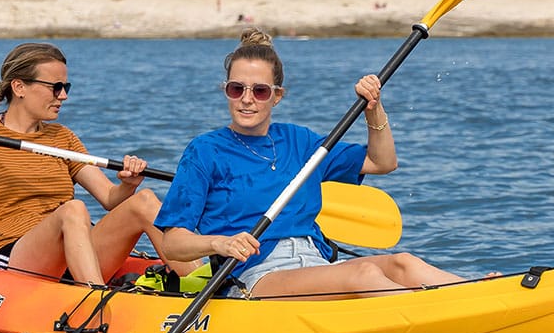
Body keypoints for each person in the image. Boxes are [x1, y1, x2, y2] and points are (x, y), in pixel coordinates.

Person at [155, 29, 468, 299]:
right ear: (227, 91)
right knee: (362, 274)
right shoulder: (204, 151)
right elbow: (173, 244)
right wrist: (220, 243)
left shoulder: (300, 141)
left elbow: (382, 162)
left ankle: (483, 297)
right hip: (254, 277)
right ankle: (438, 316)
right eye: (237, 89)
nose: (247, 99)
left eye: (260, 91)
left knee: (404, 263)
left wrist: (373, 108)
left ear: (277, 96)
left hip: (316, 265)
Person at [0, 42, 180, 285]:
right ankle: (94, 300)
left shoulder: (62, 137)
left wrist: (129, 184)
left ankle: (204, 285)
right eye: (56, 87)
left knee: (144, 200)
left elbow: (110, 198)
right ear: (19, 87)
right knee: (73, 209)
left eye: (66, 86)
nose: (64, 96)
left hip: (78, 247)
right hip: (16, 254)